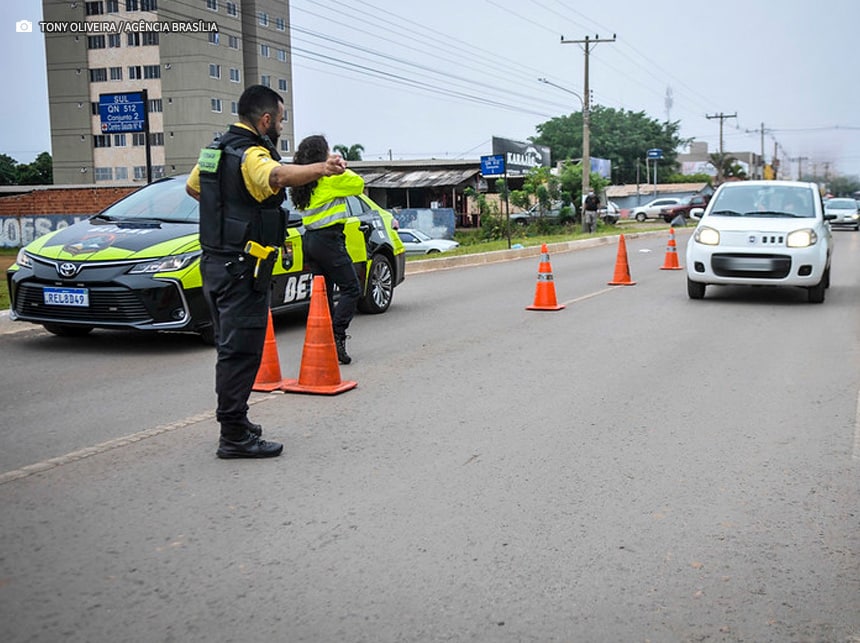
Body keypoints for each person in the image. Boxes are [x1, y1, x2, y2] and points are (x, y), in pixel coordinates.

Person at [186, 85, 346, 459]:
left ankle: (237, 423)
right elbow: (277, 178)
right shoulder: (251, 155)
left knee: (231, 347)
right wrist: (322, 167)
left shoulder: (215, 150)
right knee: (240, 352)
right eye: (281, 118)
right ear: (265, 120)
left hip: (216, 262)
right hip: (242, 268)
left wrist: (228, 214)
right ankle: (234, 434)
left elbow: (197, 190)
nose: (281, 125)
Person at [290, 135, 364, 365]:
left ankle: (326, 342)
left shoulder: (303, 182)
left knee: (324, 294)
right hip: (329, 241)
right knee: (351, 288)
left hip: (310, 240)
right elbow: (358, 184)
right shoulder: (329, 180)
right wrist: (340, 167)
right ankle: (337, 334)